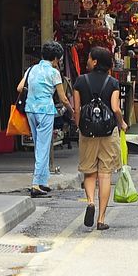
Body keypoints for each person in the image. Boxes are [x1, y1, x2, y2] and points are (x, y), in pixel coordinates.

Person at [72, 47, 125, 230]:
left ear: (95, 61)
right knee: (105, 174)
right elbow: (115, 108)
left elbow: (77, 109)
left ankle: (90, 202)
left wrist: (79, 126)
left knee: (89, 171)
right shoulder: (112, 82)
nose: (86, 60)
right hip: (108, 132)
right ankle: (101, 219)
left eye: (88, 57)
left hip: (87, 132)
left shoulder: (80, 81)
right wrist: (122, 123)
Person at [19, 42, 69, 196]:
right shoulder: (54, 73)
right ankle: (36, 183)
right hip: (45, 111)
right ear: (55, 58)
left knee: (38, 145)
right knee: (43, 146)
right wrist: (72, 111)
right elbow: (63, 98)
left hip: (30, 110)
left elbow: (20, 88)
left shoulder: (31, 69)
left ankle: (43, 181)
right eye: (59, 59)